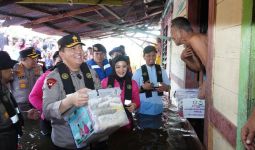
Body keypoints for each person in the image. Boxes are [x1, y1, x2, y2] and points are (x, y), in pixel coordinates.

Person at [43, 34, 107, 149]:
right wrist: (70, 101)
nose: (79, 52)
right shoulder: (52, 78)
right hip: (67, 143)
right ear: (62, 54)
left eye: (80, 48)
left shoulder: (91, 72)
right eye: (73, 48)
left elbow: (100, 96)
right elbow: (47, 112)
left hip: (92, 137)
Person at [29, 51, 61, 149]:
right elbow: (33, 96)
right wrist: (48, 109)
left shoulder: (74, 76)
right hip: (49, 121)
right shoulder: (50, 77)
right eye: (60, 61)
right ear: (54, 62)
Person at [132, 45, 170, 128]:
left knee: (157, 132)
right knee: (144, 134)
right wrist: (142, 88)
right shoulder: (138, 72)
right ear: (144, 57)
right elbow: (132, 92)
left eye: (153, 55)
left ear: (156, 55)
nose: (151, 58)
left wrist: (165, 87)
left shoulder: (162, 71)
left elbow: (168, 88)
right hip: (143, 110)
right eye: (148, 55)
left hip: (158, 109)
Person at [171, 17, 208, 99]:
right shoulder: (190, 44)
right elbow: (199, 67)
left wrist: (205, 86)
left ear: (180, 31)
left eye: (173, 32)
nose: (171, 36)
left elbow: (210, 65)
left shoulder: (195, 40)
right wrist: (184, 58)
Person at [101, 55, 140, 131]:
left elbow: (137, 100)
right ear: (113, 67)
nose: (121, 70)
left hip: (127, 122)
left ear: (127, 67)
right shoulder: (105, 82)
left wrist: (134, 105)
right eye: (118, 67)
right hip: (110, 124)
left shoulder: (133, 83)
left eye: (124, 66)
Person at [0, 51, 24, 150]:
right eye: (9, 68)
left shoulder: (4, 89)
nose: (12, 70)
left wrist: (25, 114)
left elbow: (9, 114)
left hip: (10, 138)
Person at [10, 47, 42, 116]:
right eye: (32, 58)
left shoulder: (39, 68)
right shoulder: (14, 69)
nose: (35, 60)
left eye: (36, 58)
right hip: (21, 106)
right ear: (23, 59)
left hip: (36, 104)